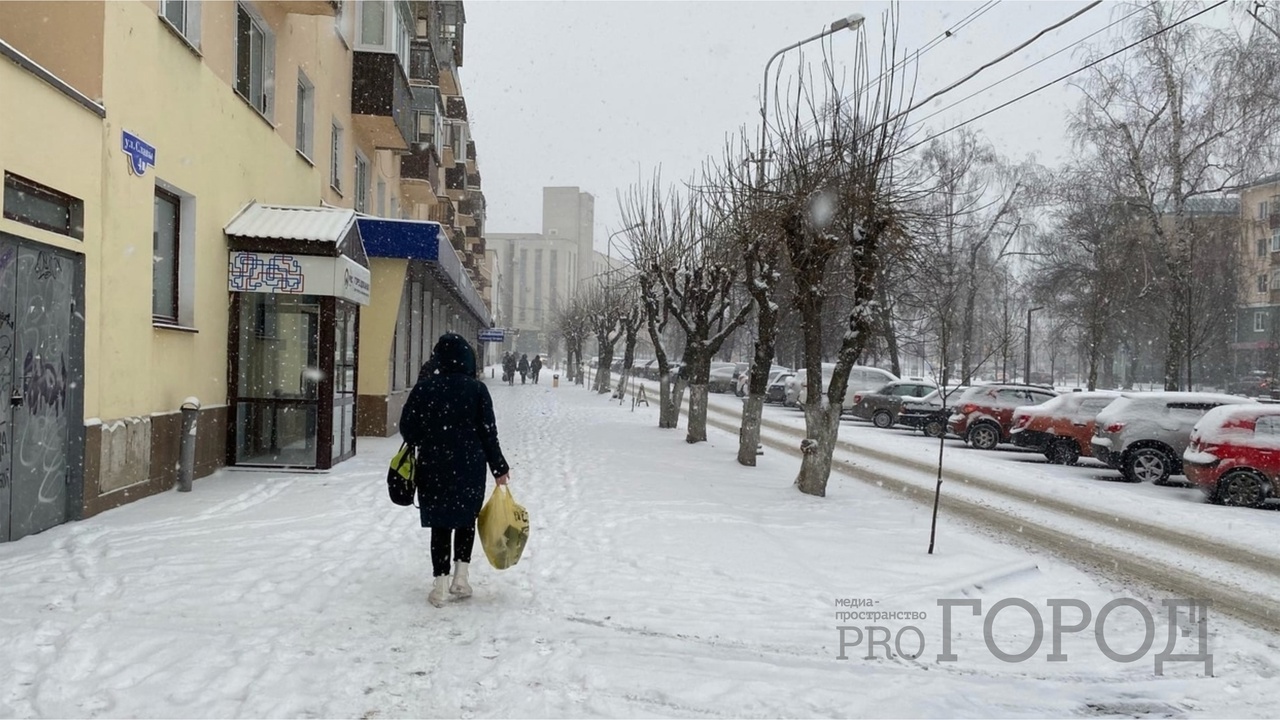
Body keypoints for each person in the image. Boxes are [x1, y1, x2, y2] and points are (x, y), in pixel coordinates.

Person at [399, 333, 510, 607]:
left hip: (433, 466)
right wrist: (499, 468)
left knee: (440, 524)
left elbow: (407, 430)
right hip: (469, 466)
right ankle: (461, 577)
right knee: (465, 520)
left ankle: (439, 585)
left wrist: (430, 435)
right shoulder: (477, 390)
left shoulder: (425, 388)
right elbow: (488, 434)